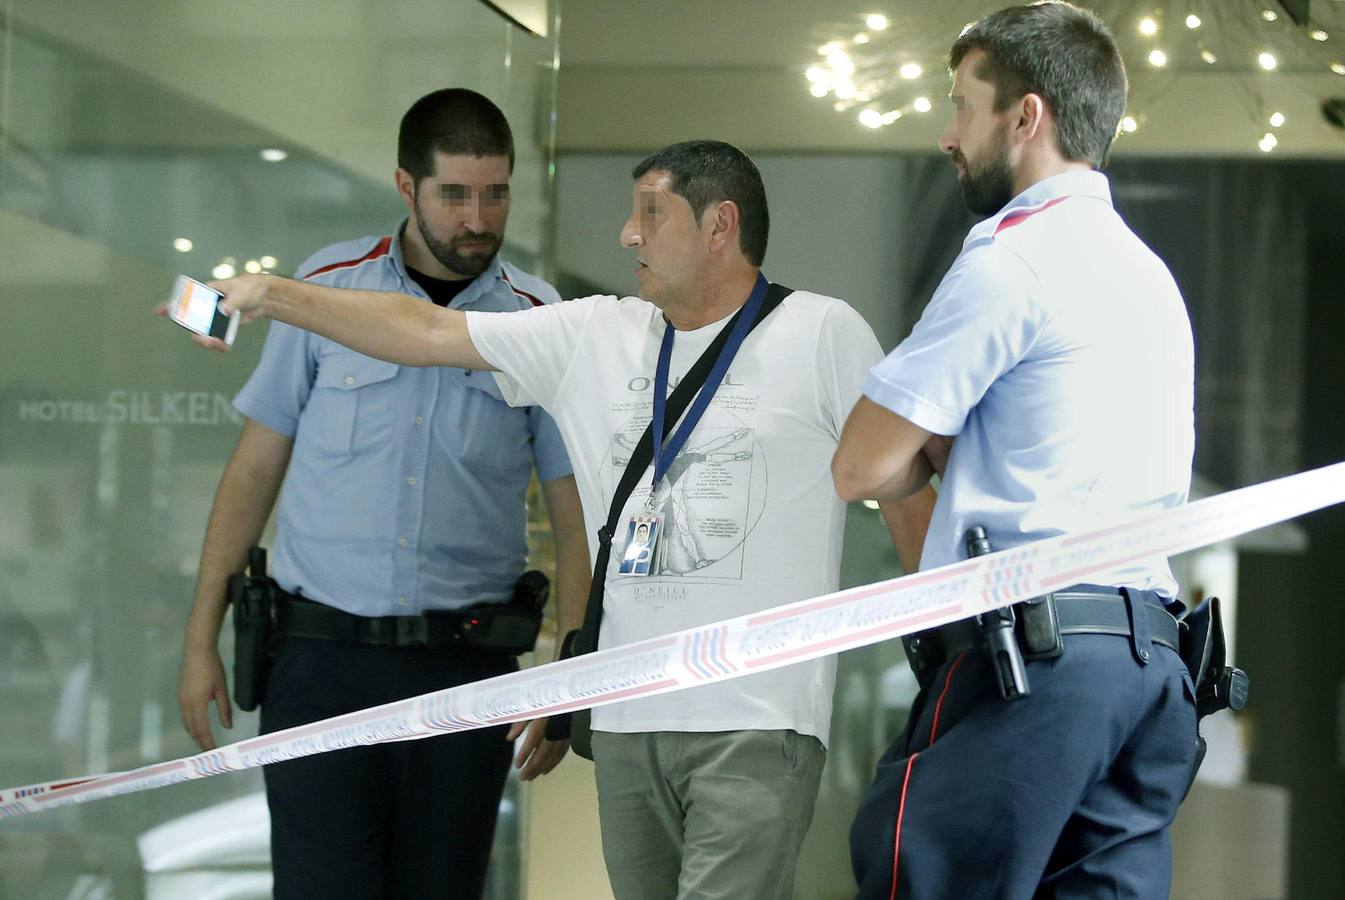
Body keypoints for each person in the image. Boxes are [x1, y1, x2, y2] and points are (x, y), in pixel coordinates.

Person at [188, 139, 933, 900]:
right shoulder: (595, 333)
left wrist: (943, 654)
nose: (627, 234)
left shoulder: (821, 331)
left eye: (650, 213)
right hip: (624, 714)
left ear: (720, 225)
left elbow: (904, 486)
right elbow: (426, 332)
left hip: (755, 714)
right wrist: (274, 295)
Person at [174, 88, 589, 900]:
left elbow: (577, 523)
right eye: (455, 195)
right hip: (319, 661)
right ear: (407, 187)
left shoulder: (539, 322)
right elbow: (251, 475)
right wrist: (199, 643)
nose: (478, 218)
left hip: (465, 670)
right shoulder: (325, 291)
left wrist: (568, 680)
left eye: (495, 193)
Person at [831, 4, 1198, 897]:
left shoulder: (1011, 260)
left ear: (1023, 117)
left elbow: (861, 465)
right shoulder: (1147, 276)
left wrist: (932, 444)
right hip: (1147, 666)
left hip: (1035, 657)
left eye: (963, 105)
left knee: (914, 868)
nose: (947, 133)